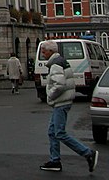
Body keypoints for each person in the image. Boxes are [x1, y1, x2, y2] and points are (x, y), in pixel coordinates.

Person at [38, 41, 99, 173]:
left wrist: (50, 94)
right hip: (63, 101)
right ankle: (55, 161)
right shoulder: (61, 61)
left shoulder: (55, 64)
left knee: (59, 132)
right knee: (52, 131)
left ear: (50, 51)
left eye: (44, 51)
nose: (42, 54)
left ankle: (88, 153)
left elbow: (59, 85)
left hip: (61, 102)